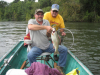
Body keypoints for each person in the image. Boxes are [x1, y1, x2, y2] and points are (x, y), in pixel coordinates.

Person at [27, 9, 67, 74]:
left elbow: (48, 35)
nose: (40, 16)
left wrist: (49, 32)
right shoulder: (31, 21)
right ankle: (35, 69)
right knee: (30, 55)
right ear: (35, 15)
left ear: (43, 15)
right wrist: (45, 27)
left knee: (64, 49)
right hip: (37, 47)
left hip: (47, 46)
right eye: (38, 14)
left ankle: (60, 67)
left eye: (41, 14)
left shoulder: (46, 22)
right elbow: (30, 27)